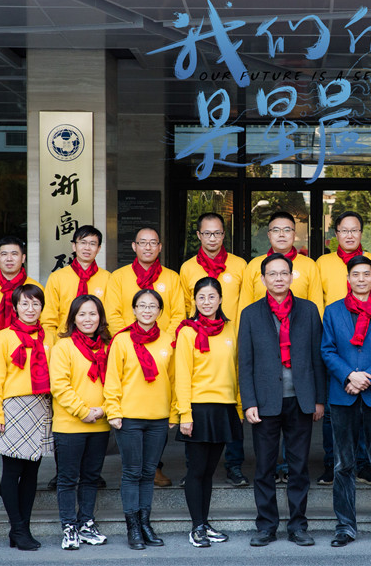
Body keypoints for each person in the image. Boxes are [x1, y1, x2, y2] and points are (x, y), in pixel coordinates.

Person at [238, 253, 326, 548]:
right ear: (263, 279)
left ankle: (298, 526)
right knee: (264, 467)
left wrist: (319, 399)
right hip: (265, 402)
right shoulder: (250, 314)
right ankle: (266, 526)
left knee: (299, 468)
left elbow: (317, 358)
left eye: (283, 273)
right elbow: (245, 363)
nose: (278, 278)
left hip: (301, 399)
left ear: (291, 276)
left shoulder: (309, 310)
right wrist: (249, 402)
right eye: (272, 274)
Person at [321, 255, 371, 548]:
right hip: (343, 395)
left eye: (366, 274)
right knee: (343, 465)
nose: (361, 279)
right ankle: (345, 526)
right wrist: (349, 376)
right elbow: (327, 350)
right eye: (356, 274)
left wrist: (366, 378)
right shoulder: (333, 311)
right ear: (348, 278)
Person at [105, 227, 183, 487]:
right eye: (143, 242)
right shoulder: (118, 277)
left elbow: (178, 314)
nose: (148, 247)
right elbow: (113, 314)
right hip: (129, 348)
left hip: (162, 350)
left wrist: (164, 342)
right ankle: (133, 468)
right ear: (134, 246)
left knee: (158, 409)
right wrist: (130, 340)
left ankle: (154, 467)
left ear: (160, 247)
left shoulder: (172, 278)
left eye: (153, 243)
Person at [315, 211, 371, 486]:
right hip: (336, 345)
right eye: (344, 230)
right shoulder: (322, 263)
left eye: (354, 230)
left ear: (361, 233)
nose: (349, 235)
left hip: (369, 345)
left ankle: (364, 464)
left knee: (367, 410)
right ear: (336, 234)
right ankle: (332, 463)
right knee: (333, 411)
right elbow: (317, 302)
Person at [179, 213, 249, 488]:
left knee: (232, 404)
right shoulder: (188, 268)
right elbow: (187, 306)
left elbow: (244, 304)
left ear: (224, 235)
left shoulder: (239, 265)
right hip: (198, 337)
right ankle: (192, 470)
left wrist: (240, 336)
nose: (212, 238)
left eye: (217, 233)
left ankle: (234, 466)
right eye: (207, 233)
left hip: (230, 336)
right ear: (198, 235)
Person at [104, 289, 177, 550]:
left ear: (160, 311)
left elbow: (173, 379)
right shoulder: (122, 340)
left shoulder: (168, 341)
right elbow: (112, 378)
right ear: (134, 310)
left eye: (152, 306)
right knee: (132, 472)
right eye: (142, 306)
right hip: (129, 418)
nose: (147, 310)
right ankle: (133, 527)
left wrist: (174, 412)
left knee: (148, 472)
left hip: (158, 418)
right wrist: (113, 411)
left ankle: (145, 523)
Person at [173, 277, 242, 548]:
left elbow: (236, 370)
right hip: (198, 409)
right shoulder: (187, 332)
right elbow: (182, 375)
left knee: (209, 471)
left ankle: (204, 522)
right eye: (201, 297)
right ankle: (197, 526)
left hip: (224, 408)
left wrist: (238, 408)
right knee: (197, 470)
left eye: (212, 297)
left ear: (221, 299)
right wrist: (185, 414)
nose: (206, 302)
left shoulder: (230, 329)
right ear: (194, 301)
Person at [0, 284, 53, 551]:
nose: (30, 309)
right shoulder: (4, 337)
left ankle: (22, 527)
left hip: (41, 405)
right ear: (15, 307)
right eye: (25, 303)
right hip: (13, 408)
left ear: (42, 307)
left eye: (36, 304)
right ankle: (17, 527)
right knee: (13, 470)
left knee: (32, 471)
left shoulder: (49, 337)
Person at [49, 295, 111, 550]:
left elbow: (117, 383)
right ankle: (69, 527)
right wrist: (83, 411)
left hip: (100, 424)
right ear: (73, 318)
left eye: (93, 314)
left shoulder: (108, 346)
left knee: (91, 477)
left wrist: (105, 410)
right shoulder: (63, 347)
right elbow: (59, 385)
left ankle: (86, 523)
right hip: (69, 425)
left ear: (100, 317)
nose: (88, 319)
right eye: (82, 314)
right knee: (67, 478)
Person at [239, 211, 323, 314]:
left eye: (287, 230)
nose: (281, 234)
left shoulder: (309, 265)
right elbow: (244, 307)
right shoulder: (254, 265)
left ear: (294, 234)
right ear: (269, 235)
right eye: (276, 230)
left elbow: (317, 308)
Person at [40, 225, 110, 343]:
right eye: (83, 242)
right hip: (64, 340)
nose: (87, 248)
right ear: (74, 246)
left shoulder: (108, 278)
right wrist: (53, 344)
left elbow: (110, 316)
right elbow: (48, 319)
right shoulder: (57, 278)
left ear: (98, 249)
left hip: (98, 343)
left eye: (92, 244)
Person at [0, 236, 41, 337]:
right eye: (4, 254)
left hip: (26, 343)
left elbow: (43, 320)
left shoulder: (35, 287)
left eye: (14, 254)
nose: (9, 259)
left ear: (23, 258)